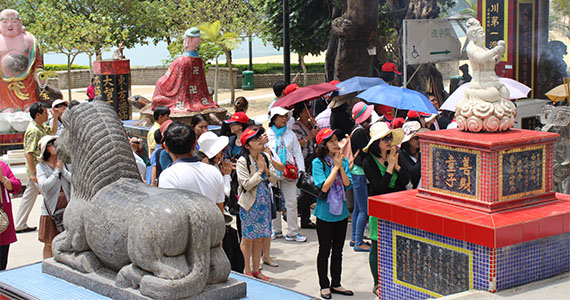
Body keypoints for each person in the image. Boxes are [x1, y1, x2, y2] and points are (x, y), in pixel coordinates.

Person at [362, 122, 408, 296]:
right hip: (379, 207)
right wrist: (389, 167)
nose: (389, 142)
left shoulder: (396, 155)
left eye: (389, 138)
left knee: (397, 243)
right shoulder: (368, 162)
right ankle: (377, 282)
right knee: (377, 244)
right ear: (375, 142)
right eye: (384, 139)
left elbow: (405, 180)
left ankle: (396, 278)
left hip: (398, 205)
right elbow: (380, 187)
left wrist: (395, 165)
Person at [312, 128, 353, 299]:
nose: (336, 144)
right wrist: (335, 168)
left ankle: (336, 283)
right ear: (323, 145)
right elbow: (324, 186)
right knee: (324, 250)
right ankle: (324, 285)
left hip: (341, 212)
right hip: (324, 213)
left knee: (338, 250)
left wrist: (340, 166)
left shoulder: (341, 161)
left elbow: (348, 184)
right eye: (331, 141)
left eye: (336, 140)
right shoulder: (318, 162)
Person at [236, 126, 278, 281]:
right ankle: (247, 269)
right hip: (249, 204)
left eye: (259, 137)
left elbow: (274, 178)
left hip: (264, 203)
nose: (260, 140)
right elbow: (246, 184)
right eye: (254, 139)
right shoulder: (243, 161)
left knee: (260, 237)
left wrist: (265, 170)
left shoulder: (264, 157)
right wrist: (260, 172)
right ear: (247, 145)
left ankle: (256, 269)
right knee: (247, 238)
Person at [159, 122, 225, 213]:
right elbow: (220, 211)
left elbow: (168, 214)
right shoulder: (214, 172)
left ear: (166, 147)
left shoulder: (168, 176)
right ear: (194, 144)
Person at [14, 102, 59, 233]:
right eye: (45, 112)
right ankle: (54, 219)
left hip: (39, 168)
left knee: (29, 196)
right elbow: (29, 153)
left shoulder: (40, 127)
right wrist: (33, 172)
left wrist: (55, 118)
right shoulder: (33, 131)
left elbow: (53, 131)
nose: (47, 114)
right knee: (49, 193)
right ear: (38, 114)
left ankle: (20, 223)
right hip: (38, 170)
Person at [151, 28, 218, 113]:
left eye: (184, 39)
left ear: (188, 41)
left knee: (159, 83)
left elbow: (168, 79)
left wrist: (160, 82)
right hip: (198, 97)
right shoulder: (200, 60)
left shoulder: (181, 60)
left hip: (182, 99)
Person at [267, 106, 306, 242]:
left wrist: (301, 170)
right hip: (272, 173)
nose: (284, 119)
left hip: (289, 172)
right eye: (281, 116)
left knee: (291, 202)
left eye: (286, 116)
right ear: (273, 118)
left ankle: (293, 231)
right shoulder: (267, 135)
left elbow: (297, 153)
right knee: (274, 202)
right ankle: (276, 230)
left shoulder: (291, 134)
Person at [0, 9, 46, 111]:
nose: (10, 25)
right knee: (7, 110)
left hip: (27, 82)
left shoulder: (30, 39)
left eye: (14, 21)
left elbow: (37, 63)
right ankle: (6, 106)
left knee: (30, 108)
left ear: (20, 22)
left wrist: (39, 74)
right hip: (4, 84)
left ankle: (29, 105)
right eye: (5, 22)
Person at [36, 135, 71, 259]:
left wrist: (63, 171)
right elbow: (44, 186)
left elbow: (74, 180)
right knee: (49, 242)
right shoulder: (41, 167)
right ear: (46, 149)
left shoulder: (65, 163)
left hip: (67, 206)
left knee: (66, 241)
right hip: (50, 209)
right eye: (51, 144)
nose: (54, 145)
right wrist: (56, 171)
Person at [349, 102, 375, 252]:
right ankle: (359, 242)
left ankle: (354, 237)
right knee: (363, 209)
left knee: (358, 208)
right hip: (359, 173)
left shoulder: (356, 129)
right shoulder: (360, 132)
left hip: (357, 173)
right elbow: (366, 151)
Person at [292, 101, 319, 229]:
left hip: (312, 158)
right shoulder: (296, 126)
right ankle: (302, 215)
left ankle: (304, 217)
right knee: (306, 188)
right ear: (302, 111)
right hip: (304, 159)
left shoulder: (310, 124)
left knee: (309, 188)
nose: (311, 109)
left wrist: (315, 128)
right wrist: (309, 136)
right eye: (308, 108)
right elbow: (296, 144)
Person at [0, 160, 22, 270]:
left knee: (1, 264)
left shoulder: (2, 166)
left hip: (2, 224)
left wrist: (3, 179)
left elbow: (16, 186)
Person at [197, 131, 232, 198]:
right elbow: (225, 194)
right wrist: (227, 175)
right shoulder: (211, 169)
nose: (222, 151)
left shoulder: (210, 165)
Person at [399, 121, 428, 189]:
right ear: (408, 140)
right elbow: (413, 172)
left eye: (420, 137)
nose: (419, 140)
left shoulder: (420, 153)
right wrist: (422, 154)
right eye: (416, 138)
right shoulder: (401, 154)